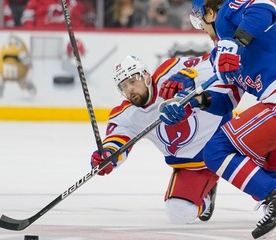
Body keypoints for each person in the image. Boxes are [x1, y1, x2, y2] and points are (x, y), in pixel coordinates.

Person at [159, 0, 276, 239]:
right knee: (266, 170)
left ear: (211, 12)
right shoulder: (220, 53)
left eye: (200, 15)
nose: (201, 26)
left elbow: (266, 6)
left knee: (216, 150)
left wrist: (237, 42)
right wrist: (194, 101)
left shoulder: (228, 15)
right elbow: (225, 100)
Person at [90, 54, 233, 224]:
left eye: (133, 81)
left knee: (267, 166)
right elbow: (116, 143)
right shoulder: (125, 115)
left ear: (147, 77)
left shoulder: (170, 71)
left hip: (227, 138)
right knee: (179, 214)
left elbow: (211, 60)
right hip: (193, 166)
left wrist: (190, 74)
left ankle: (272, 199)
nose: (130, 90)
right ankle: (206, 195)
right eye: (124, 86)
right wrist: (107, 156)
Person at [21, 0, 96, 29]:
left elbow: (90, 26)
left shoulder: (81, 3)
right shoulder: (37, 1)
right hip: (43, 40)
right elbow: (27, 20)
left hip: (72, 44)